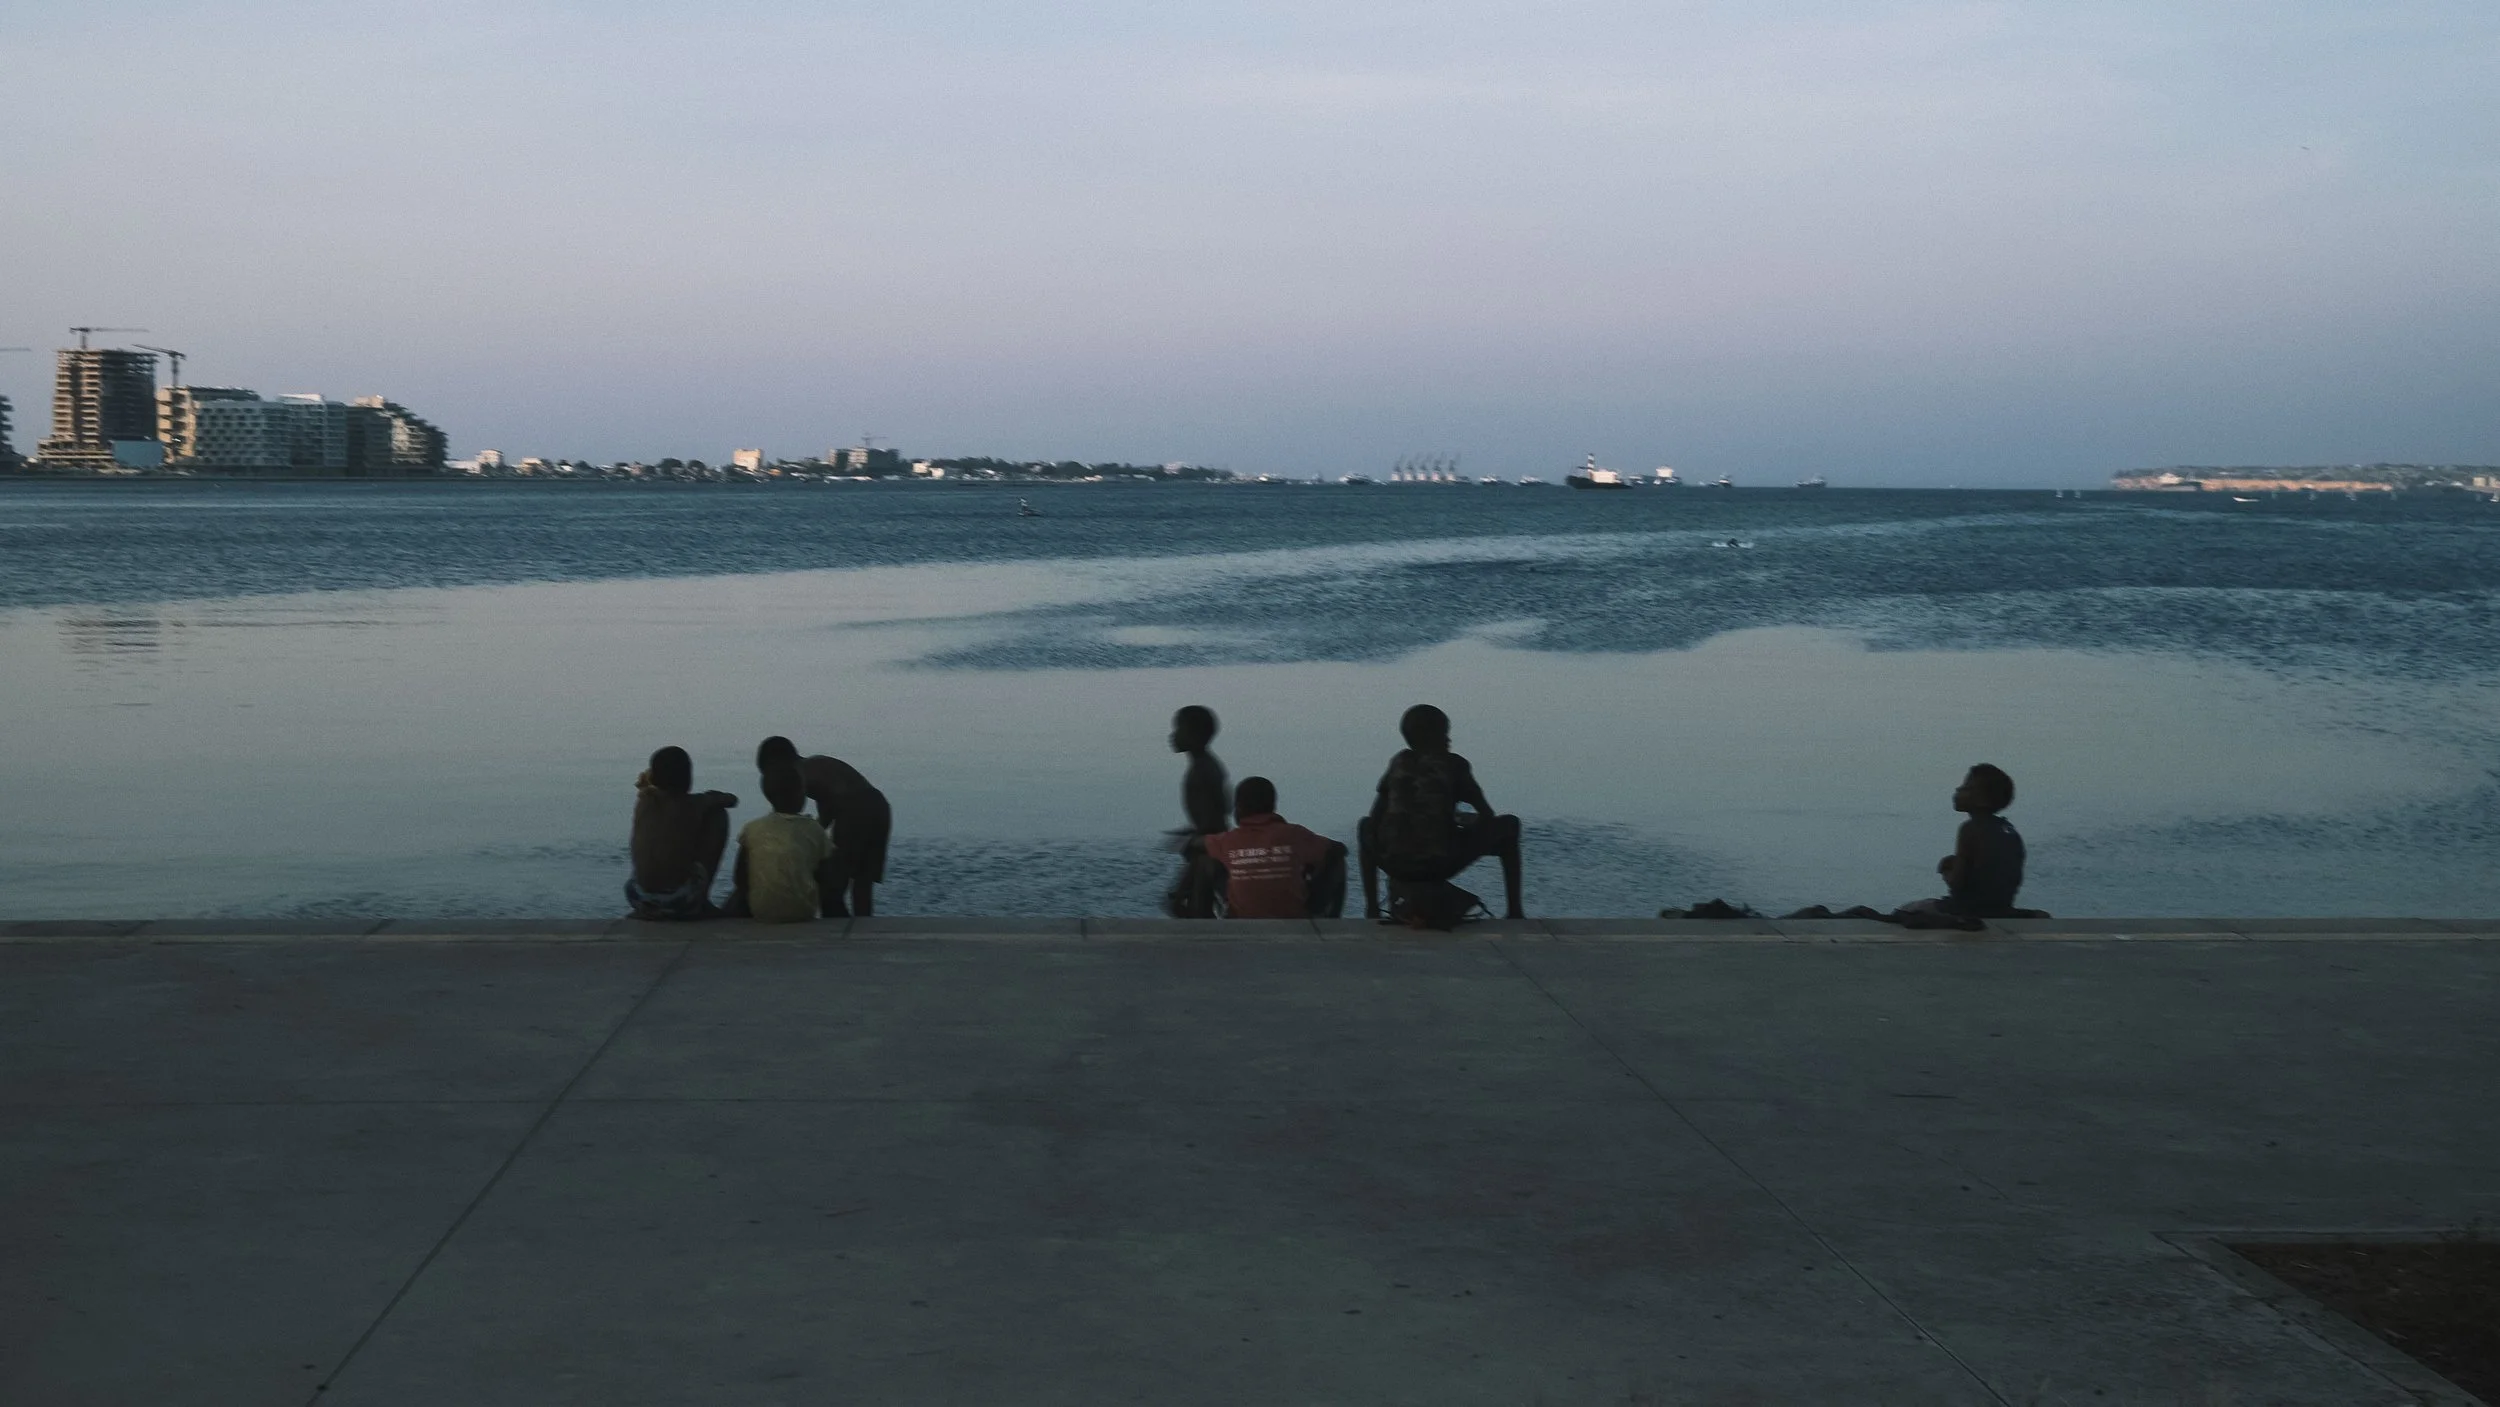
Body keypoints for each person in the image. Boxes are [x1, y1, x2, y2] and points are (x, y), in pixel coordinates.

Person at [1359, 704, 1525, 922]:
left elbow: (1376, 815)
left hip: (1394, 864)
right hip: (1438, 864)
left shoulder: (1399, 762)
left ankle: (1372, 908)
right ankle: (1515, 911)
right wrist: (1467, 822)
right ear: (1437, 736)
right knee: (1510, 825)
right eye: (1445, 734)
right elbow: (1487, 814)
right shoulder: (1455, 764)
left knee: (1364, 825)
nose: (1449, 740)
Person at [755, 736, 892, 917]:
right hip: (878, 804)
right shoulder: (818, 763)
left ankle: (835, 923)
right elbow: (828, 802)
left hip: (853, 808)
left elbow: (809, 810)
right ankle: (863, 925)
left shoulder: (801, 773)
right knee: (862, 881)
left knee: (836, 879)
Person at [1896, 763, 2027, 920]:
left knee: (1908, 910)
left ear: (1981, 801)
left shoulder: (1969, 829)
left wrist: (1946, 871)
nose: (1957, 790)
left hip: (1968, 909)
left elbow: (1957, 883)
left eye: (1965, 788)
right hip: (2002, 908)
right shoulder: (2008, 829)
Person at [1204, 777, 1347, 920]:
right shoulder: (1295, 834)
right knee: (1336, 861)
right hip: (1294, 915)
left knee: (1206, 860)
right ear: (1273, 805)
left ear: (1239, 807)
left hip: (1243, 916)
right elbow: (1340, 849)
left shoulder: (1226, 840)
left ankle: (1203, 917)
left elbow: (1192, 845)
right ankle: (1332, 920)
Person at [626, 746, 738, 920]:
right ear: (688, 779)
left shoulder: (644, 802)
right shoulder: (693, 804)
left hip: (637, 896)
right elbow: (731, 800)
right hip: (679, 902)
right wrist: (711, 798)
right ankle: (702, 902)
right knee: (718, 815)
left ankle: (650, 906)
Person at [726, 760, 839, 924]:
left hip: (760, 910)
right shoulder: (814, 829)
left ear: (767, 795)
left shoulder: (752, 828)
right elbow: (829, 876)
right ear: (801, 794)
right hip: (803, 911)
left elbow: (739, 877)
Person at [1162, 704, 1229, 918]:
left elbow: (1211, 821)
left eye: (1178, 730)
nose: (1173, 736)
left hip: (1208, 850)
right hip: (1210, 843)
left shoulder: (1201, 771)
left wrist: (1196, 839)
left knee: (1191, 907)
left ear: (1195, 735)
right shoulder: (1207, 765)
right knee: (1189, 905)